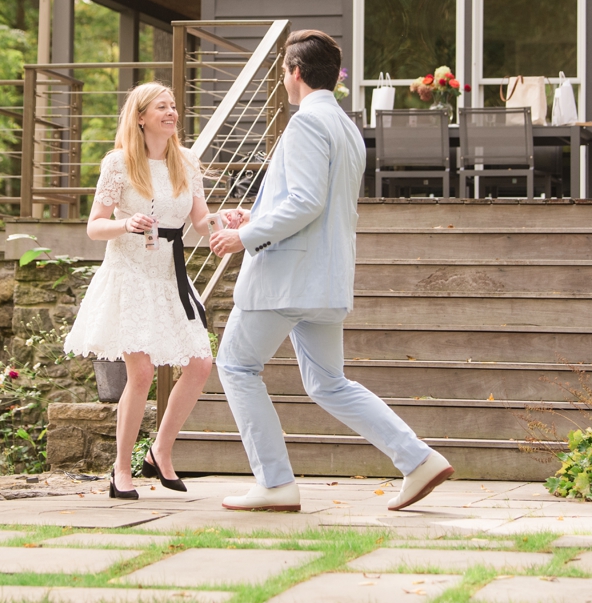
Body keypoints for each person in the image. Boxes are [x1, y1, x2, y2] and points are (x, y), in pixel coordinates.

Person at [208, 30, 455, 512]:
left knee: (236, 365)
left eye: (283, 71)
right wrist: (254, 218)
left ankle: (275, 483)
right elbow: (311, 203)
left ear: (295, 72)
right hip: (325, 279)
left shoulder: (304, 124)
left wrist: (245, 236)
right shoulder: (344, 126)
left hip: (285, 280)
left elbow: (305, 201)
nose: (283, 79)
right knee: (328, 383)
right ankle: (418, 460)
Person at [64, 82, 217, 500]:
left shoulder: (186, 162)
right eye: (161, 107)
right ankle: (120, 470)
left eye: (173, 106)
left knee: (201, 363)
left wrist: (228, 221)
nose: (171, 112)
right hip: (130, 273)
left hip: (170, 275)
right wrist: (125, 224)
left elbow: (201, 221)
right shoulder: (118, 163)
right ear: (141, 117)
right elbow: (95, 226)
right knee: (143, 373)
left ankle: (160, 451)